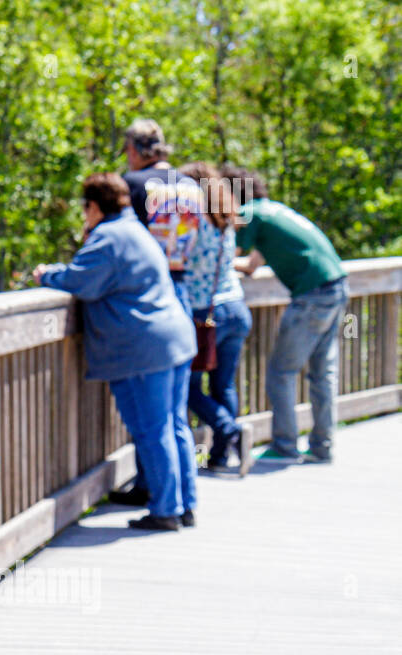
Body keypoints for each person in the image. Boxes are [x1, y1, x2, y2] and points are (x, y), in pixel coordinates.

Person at [34, 173, 198, 530]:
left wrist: (47, 274)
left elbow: (80, 281)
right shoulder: (137, 229)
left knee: (152, 429)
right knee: (173, 424)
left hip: (144, 348)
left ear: (93, 206)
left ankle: (166, 510)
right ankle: (184, 505)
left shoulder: (108, 238)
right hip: (175, 337)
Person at [110, 119, 205, 509]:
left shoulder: (132, 186)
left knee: (151, 413)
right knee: (174, 413)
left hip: (146, 297)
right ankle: (182, 498)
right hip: (180, 291)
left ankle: (158, 495)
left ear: (133, 149)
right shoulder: (191, 187)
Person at [226, 167, 348, 463]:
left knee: (281, 372)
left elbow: (226, 254)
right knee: (321, 374)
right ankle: (322, 447)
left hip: (311, 296)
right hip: (337, 287)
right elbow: (252, 264)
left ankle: (284, 446)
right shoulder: (274, 211)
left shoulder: (250, 212)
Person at [178, 162, 251, 470]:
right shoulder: (225, 218)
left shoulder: (193, 218)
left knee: (188, 389)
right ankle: (220, 456)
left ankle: (229, 430)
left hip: (203, 313)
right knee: (224, 386)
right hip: (236, 307)